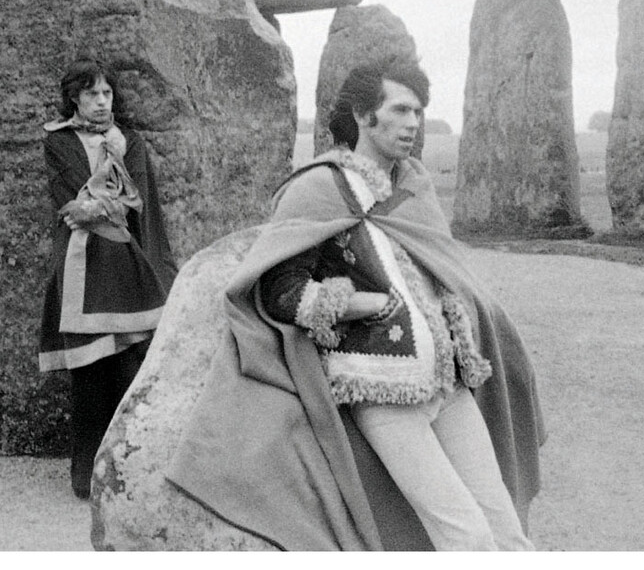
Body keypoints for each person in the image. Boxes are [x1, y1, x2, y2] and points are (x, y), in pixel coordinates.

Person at [167, 57, 545, 551]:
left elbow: (446, 273)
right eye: (401, 110)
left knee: (506, 529)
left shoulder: (413, 187)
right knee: (464, 536)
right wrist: (364, 304)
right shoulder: (318, 188)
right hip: (380, 388)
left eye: (419, 112)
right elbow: (280, 290)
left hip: (449, 382)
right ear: (365, 117)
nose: (414, 123)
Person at [40, 57, 179, 499]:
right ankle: (85, 474)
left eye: (107, 94)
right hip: (81, 266)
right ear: (74, 99)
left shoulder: (129, 141)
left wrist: (99, 204)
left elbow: (131, 199)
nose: (101, 102)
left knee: (128, 370)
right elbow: (70, 202)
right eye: (91, 94)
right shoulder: (58, 143)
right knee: (87, 373)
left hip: (125, 265)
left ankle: (125, 471)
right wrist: (100, 203)